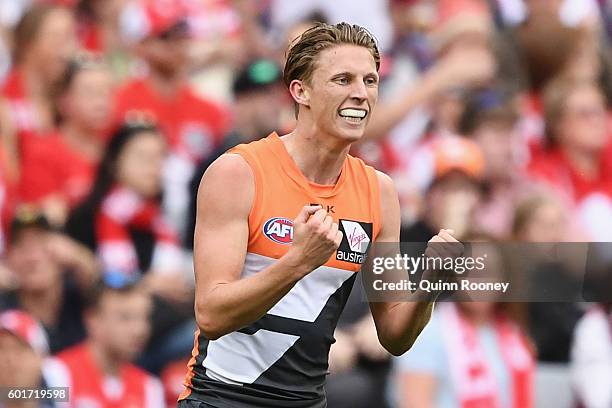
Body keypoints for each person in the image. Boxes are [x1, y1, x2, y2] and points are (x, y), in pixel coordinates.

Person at [179, 22, 462, 407]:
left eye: (370, 81)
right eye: (343, 80)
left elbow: (395, 336)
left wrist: (431, 282)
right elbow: (211, 313)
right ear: (301, 91)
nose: (361, 94)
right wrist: (298, 262)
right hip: (222, 397)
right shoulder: (239, 172)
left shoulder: (379, 192)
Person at [17, 53, 114, 226]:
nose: (101, 102)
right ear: (64, 100)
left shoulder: (117, 145)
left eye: (106, 92)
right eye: (90, 93)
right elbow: (37, 222)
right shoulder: (43, 151)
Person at [43, 281, 164, 407]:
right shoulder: (57, 372)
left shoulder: (150, 388)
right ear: (93, 321)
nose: (139, 330)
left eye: (145, 318)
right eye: (125, 318)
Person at [2, 207, 99, 354]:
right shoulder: (4, 310)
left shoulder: (79, 296)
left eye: (41, 244)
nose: (32, 258)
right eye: (21, 247)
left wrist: (80, 258)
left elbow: (105, 288)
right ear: (8, 259)